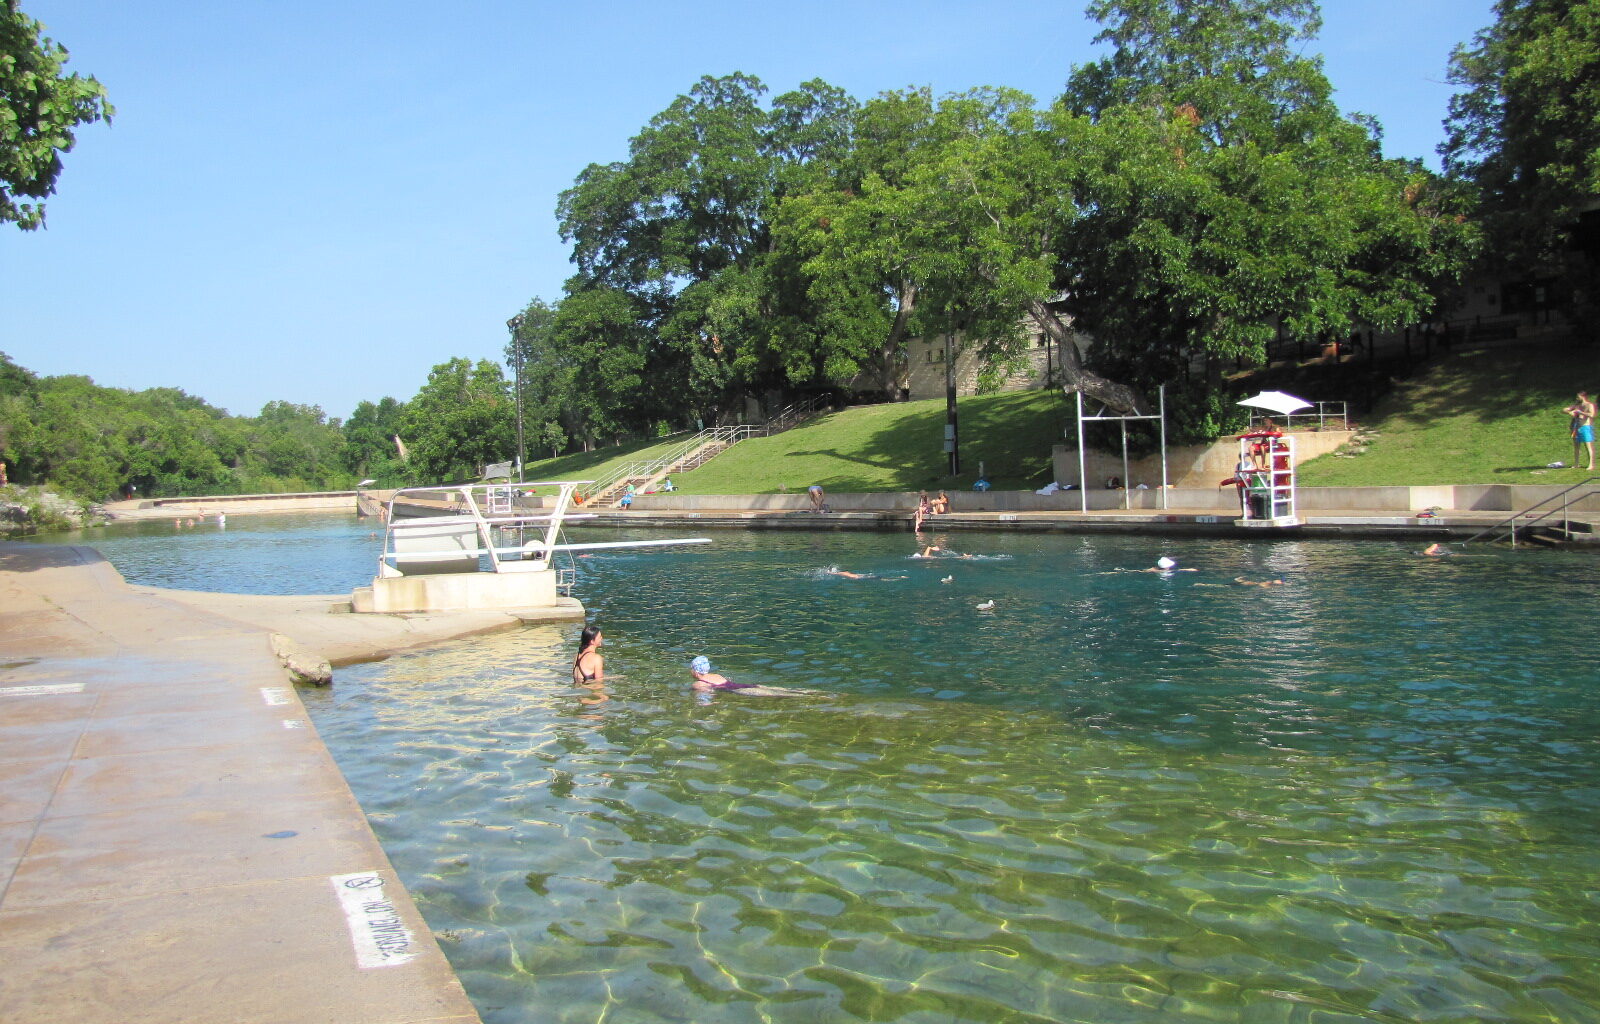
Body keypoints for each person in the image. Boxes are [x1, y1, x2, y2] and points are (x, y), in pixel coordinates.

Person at [1563, 391, 1596, 471]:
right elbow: (1564, 409)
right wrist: (1569, 412)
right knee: (1576, 446)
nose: (1577, 398)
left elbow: (1592, 415)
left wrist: (1581, 412)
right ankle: (1576, 464)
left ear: (1583, 396)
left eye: (1578, 397)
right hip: (1576, 427)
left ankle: (1591, 464)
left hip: (1585, 427)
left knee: (1588, 446)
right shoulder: (1577, 405)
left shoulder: (1589, 405)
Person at [690, 655, 756, 694]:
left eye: (691, 669)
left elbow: (707, 697)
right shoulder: (716, 675)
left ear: (696, 672)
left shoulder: (698, 684)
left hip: (737, 691)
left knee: (763, 694)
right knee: (759, 688)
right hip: (740, 685)